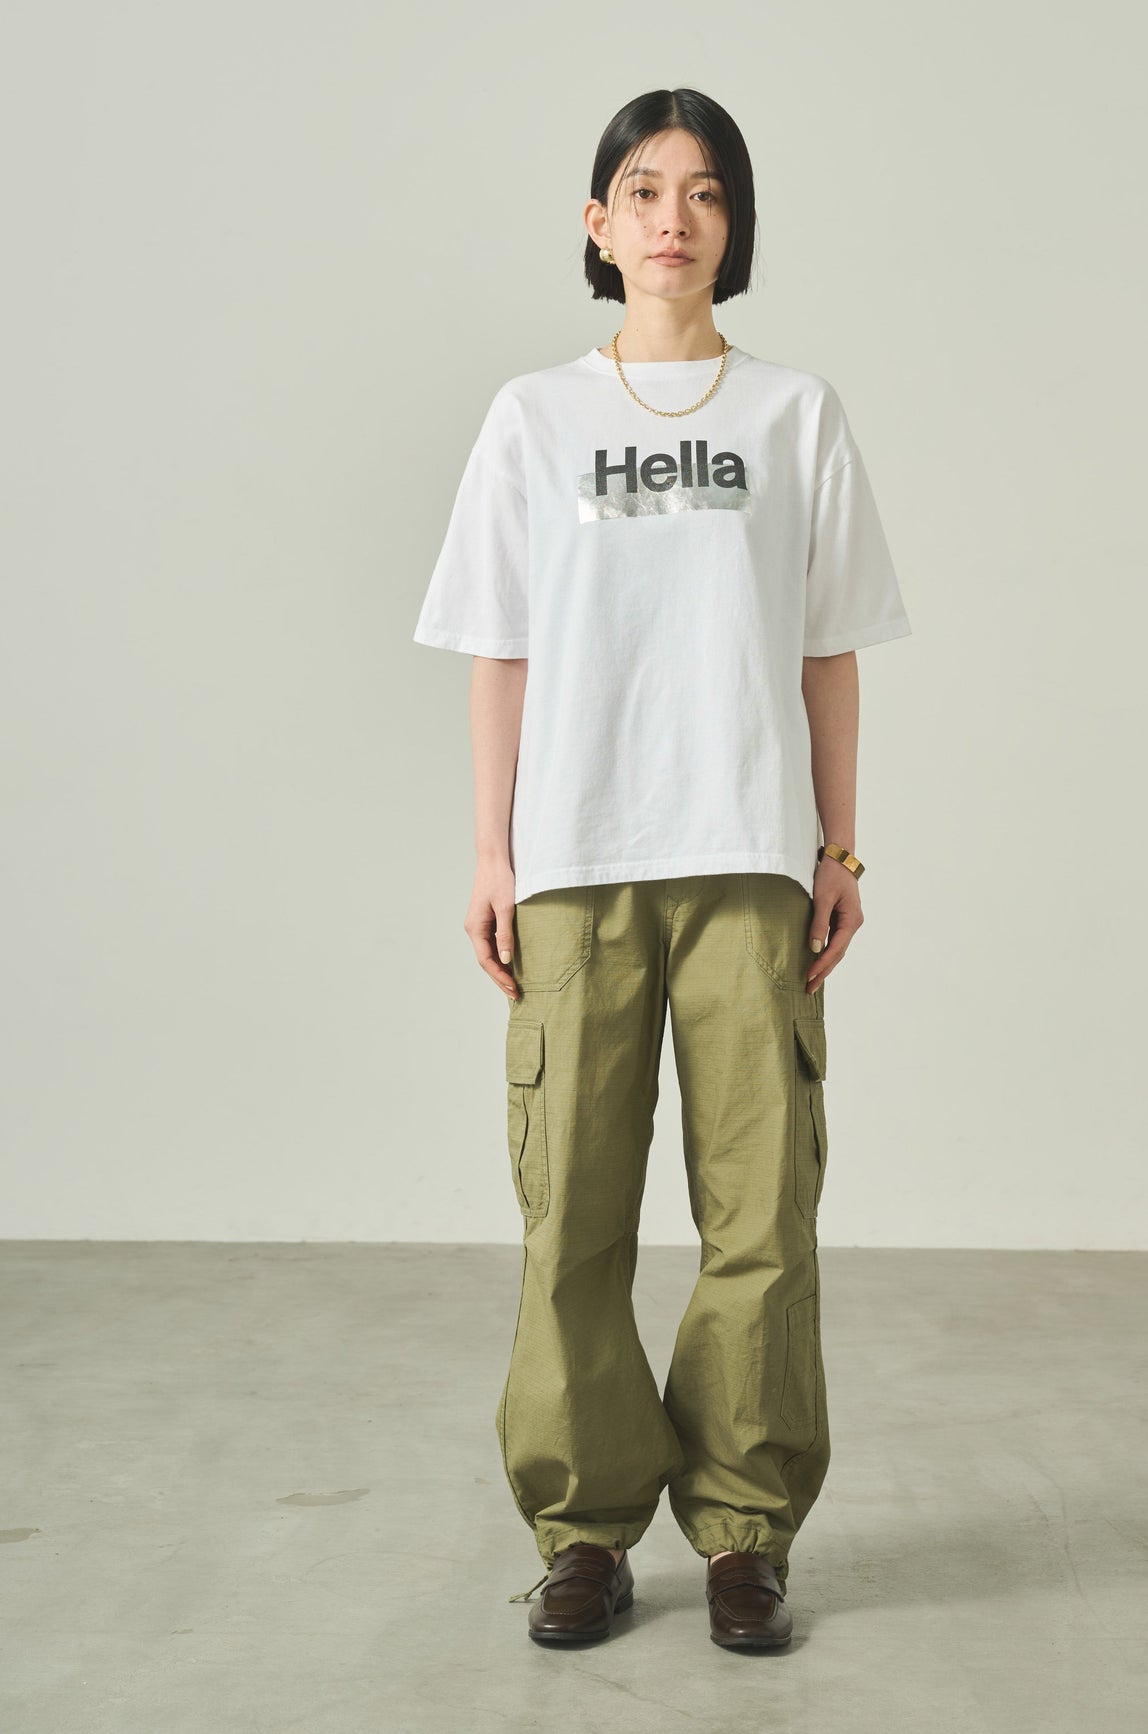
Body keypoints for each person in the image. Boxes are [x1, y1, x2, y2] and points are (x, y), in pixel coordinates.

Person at [412, 87, 912, 1649]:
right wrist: (491, 850)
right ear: (597, 223)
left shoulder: (793, 414)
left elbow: (827, 649)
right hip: (575, 860)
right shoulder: (533, 417)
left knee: (760, 1213)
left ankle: (745, 1529)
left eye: (702, 192)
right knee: (570, 1211)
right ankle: (583, 1528)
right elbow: (499, 648)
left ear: (733, 226)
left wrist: (836, 843)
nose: (672, 218)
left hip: (748, 851)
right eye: (642, 189)